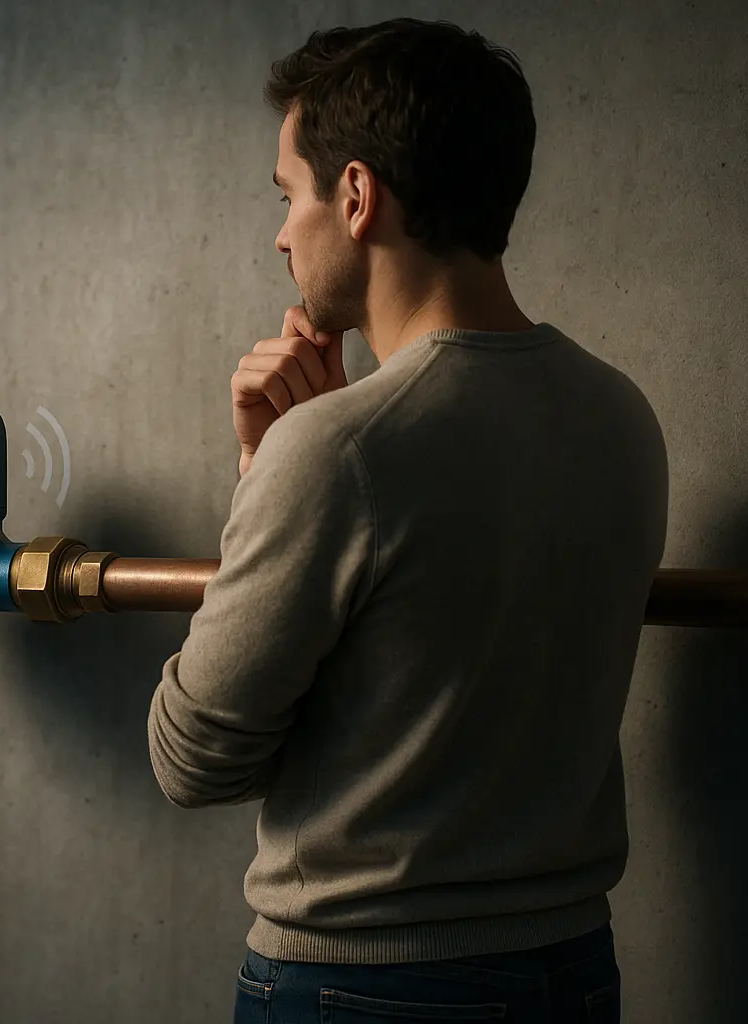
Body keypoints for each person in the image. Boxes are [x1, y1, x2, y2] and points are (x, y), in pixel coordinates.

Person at [145, 17, 669, 1023]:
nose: (281, 232)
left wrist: (267, 464)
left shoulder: (340, 452)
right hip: (570, 969)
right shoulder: (621, 415)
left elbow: (190, 760)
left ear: (354, 195)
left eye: (290, 195)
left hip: (358, 983)